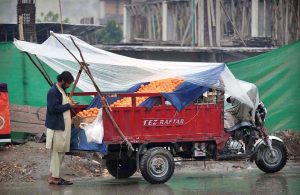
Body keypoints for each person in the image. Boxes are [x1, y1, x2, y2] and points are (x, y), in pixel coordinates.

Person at [45, 71, 75, 185]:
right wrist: (69, 105)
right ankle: (55, 178)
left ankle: (53, 176)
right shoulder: (53, 92)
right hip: (56, 127)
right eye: (68, 84)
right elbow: (53, 109)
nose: (69, 86)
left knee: (60, 152)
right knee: (57, 152)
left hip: (62, 127)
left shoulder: (61, 90)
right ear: (62, 81)